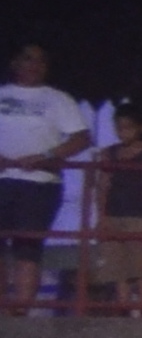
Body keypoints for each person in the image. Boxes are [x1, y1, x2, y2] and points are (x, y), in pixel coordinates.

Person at [0, 47, 94, 314]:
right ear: (15, 62)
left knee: (27, 248)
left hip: (39, 183)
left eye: (41, 60)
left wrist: (47, 156)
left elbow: (81, 138)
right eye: (28, 58)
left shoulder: (58, 99)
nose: (35, 65)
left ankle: (20, 311)